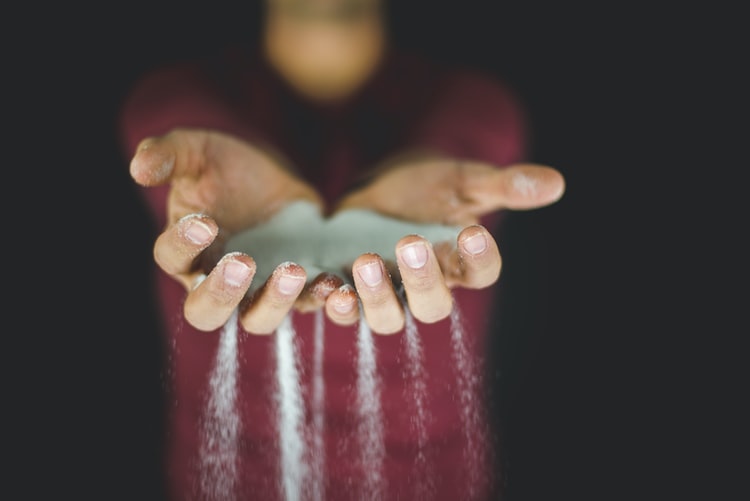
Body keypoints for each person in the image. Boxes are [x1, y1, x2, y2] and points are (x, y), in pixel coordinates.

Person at [119, 0, 565, 499]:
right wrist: (225, 166)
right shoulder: (178, 96)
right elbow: (177, 128)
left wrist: (419, 170)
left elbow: (465, 133)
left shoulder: (472, 100)